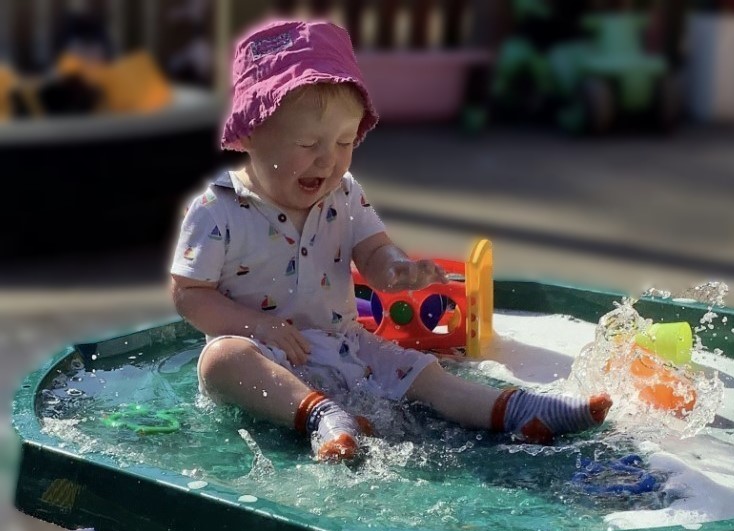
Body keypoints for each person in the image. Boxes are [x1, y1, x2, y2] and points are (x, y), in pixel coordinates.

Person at [169, 18, 612, 463]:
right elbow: (189, 294)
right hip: (263, 357)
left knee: (428, 375)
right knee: (221, 359)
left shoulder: (344, 193)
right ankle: (322, 416)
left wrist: (398, 268)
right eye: (307, 142)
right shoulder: (219, 209)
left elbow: (374, 252)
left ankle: (523, 410)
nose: (328, 159)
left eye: (346, 141)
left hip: (345, 344)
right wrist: (258, 326)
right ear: (249, 133)